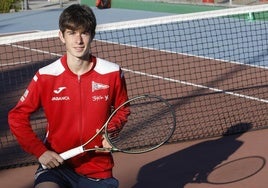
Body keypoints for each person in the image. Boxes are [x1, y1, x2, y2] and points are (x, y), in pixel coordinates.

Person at [8, 4, 129, 188]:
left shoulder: (112, 73)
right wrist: (40, 152)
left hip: (97, 168)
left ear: (92, 35)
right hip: (57, 165)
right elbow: (17, 117)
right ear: (61, 36)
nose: (78, 40)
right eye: (72, 33)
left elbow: (123, 109)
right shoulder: (46, 76)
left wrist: (110, 131)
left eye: (84, 33)